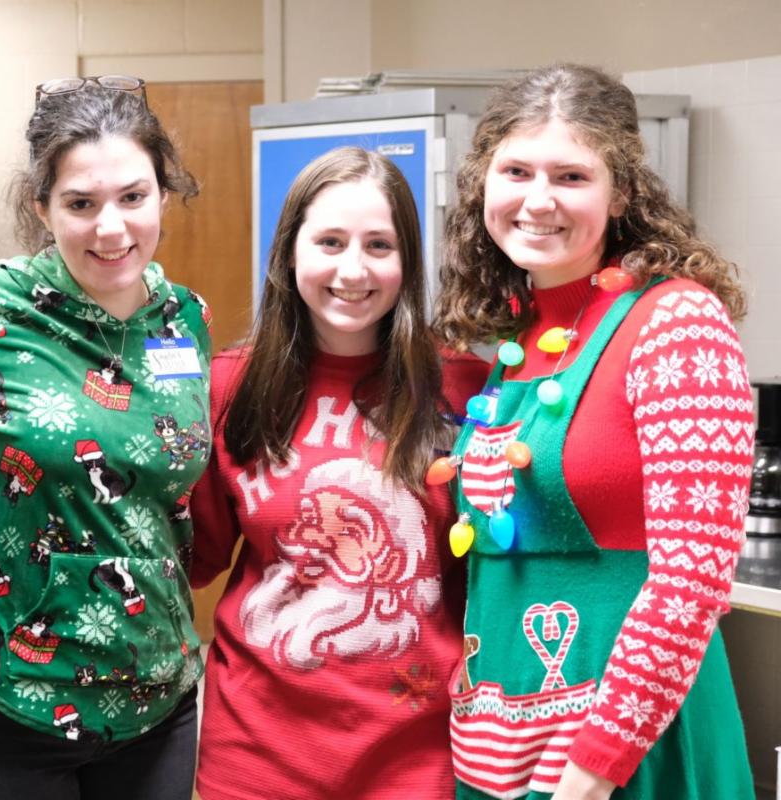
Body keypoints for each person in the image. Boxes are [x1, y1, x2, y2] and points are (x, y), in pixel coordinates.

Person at [434, 64, 754, 799]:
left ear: (623, 192)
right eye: (516, 171)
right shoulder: (518, 340)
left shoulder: (677, 323)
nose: (538, 200)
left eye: (571, 176)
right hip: (501, 745)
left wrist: (596, 766)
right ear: (483, 184)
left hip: (626, 751)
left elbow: (693, 579)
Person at [0, 77, 212, 799]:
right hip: (8, 698)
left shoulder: (185, 320)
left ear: (164, 194)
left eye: (133, 197)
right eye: (81, 204)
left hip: (156, 696)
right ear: (42, 207)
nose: (111, 229)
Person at [188, 147, 488, 799]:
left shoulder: (466, 388)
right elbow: (190, 560)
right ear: (290, 251)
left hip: (418, 761)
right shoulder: (230, 386)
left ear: (407, 260)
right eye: (330, 242)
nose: (353, 269)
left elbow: (493, 578)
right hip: (255, 759)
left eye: (378, 245)